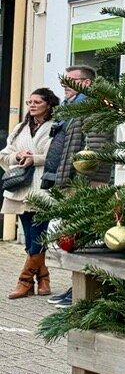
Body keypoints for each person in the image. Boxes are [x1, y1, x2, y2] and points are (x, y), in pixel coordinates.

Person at [43, 65, 112, 305]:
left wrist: (90, 183)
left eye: (70, 80)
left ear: (86, 83)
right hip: (72, 181)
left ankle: (83, 293)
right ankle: (76, 287)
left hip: (85, 184)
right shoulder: (71, 109)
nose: (64, 85)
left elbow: (96, 149)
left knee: (84, 238)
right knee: (73, 238)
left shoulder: (94, 107)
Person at [5, 89, 60, 299]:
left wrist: (34, 159)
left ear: (49, 104)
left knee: (38, 235)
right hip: (21, 188)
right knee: (30, 239)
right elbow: (5, 154)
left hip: (43, 187)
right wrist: (18, 155)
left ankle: (25, 281)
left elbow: (57, 156)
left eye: (37, 102)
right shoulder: (20, 127)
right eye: (30, 102)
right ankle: (43, 278)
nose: (32, 105)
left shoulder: (56, 126)